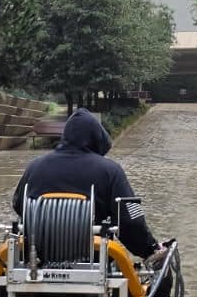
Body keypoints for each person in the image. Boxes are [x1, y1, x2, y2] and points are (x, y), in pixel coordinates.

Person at [12, 107, 161, 259]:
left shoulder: (35, 167)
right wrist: (150, 249)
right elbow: (130, 223)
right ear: (97, 138)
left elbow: (18, 204)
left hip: (39, 259)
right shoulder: (110, 171)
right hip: (94, 261)